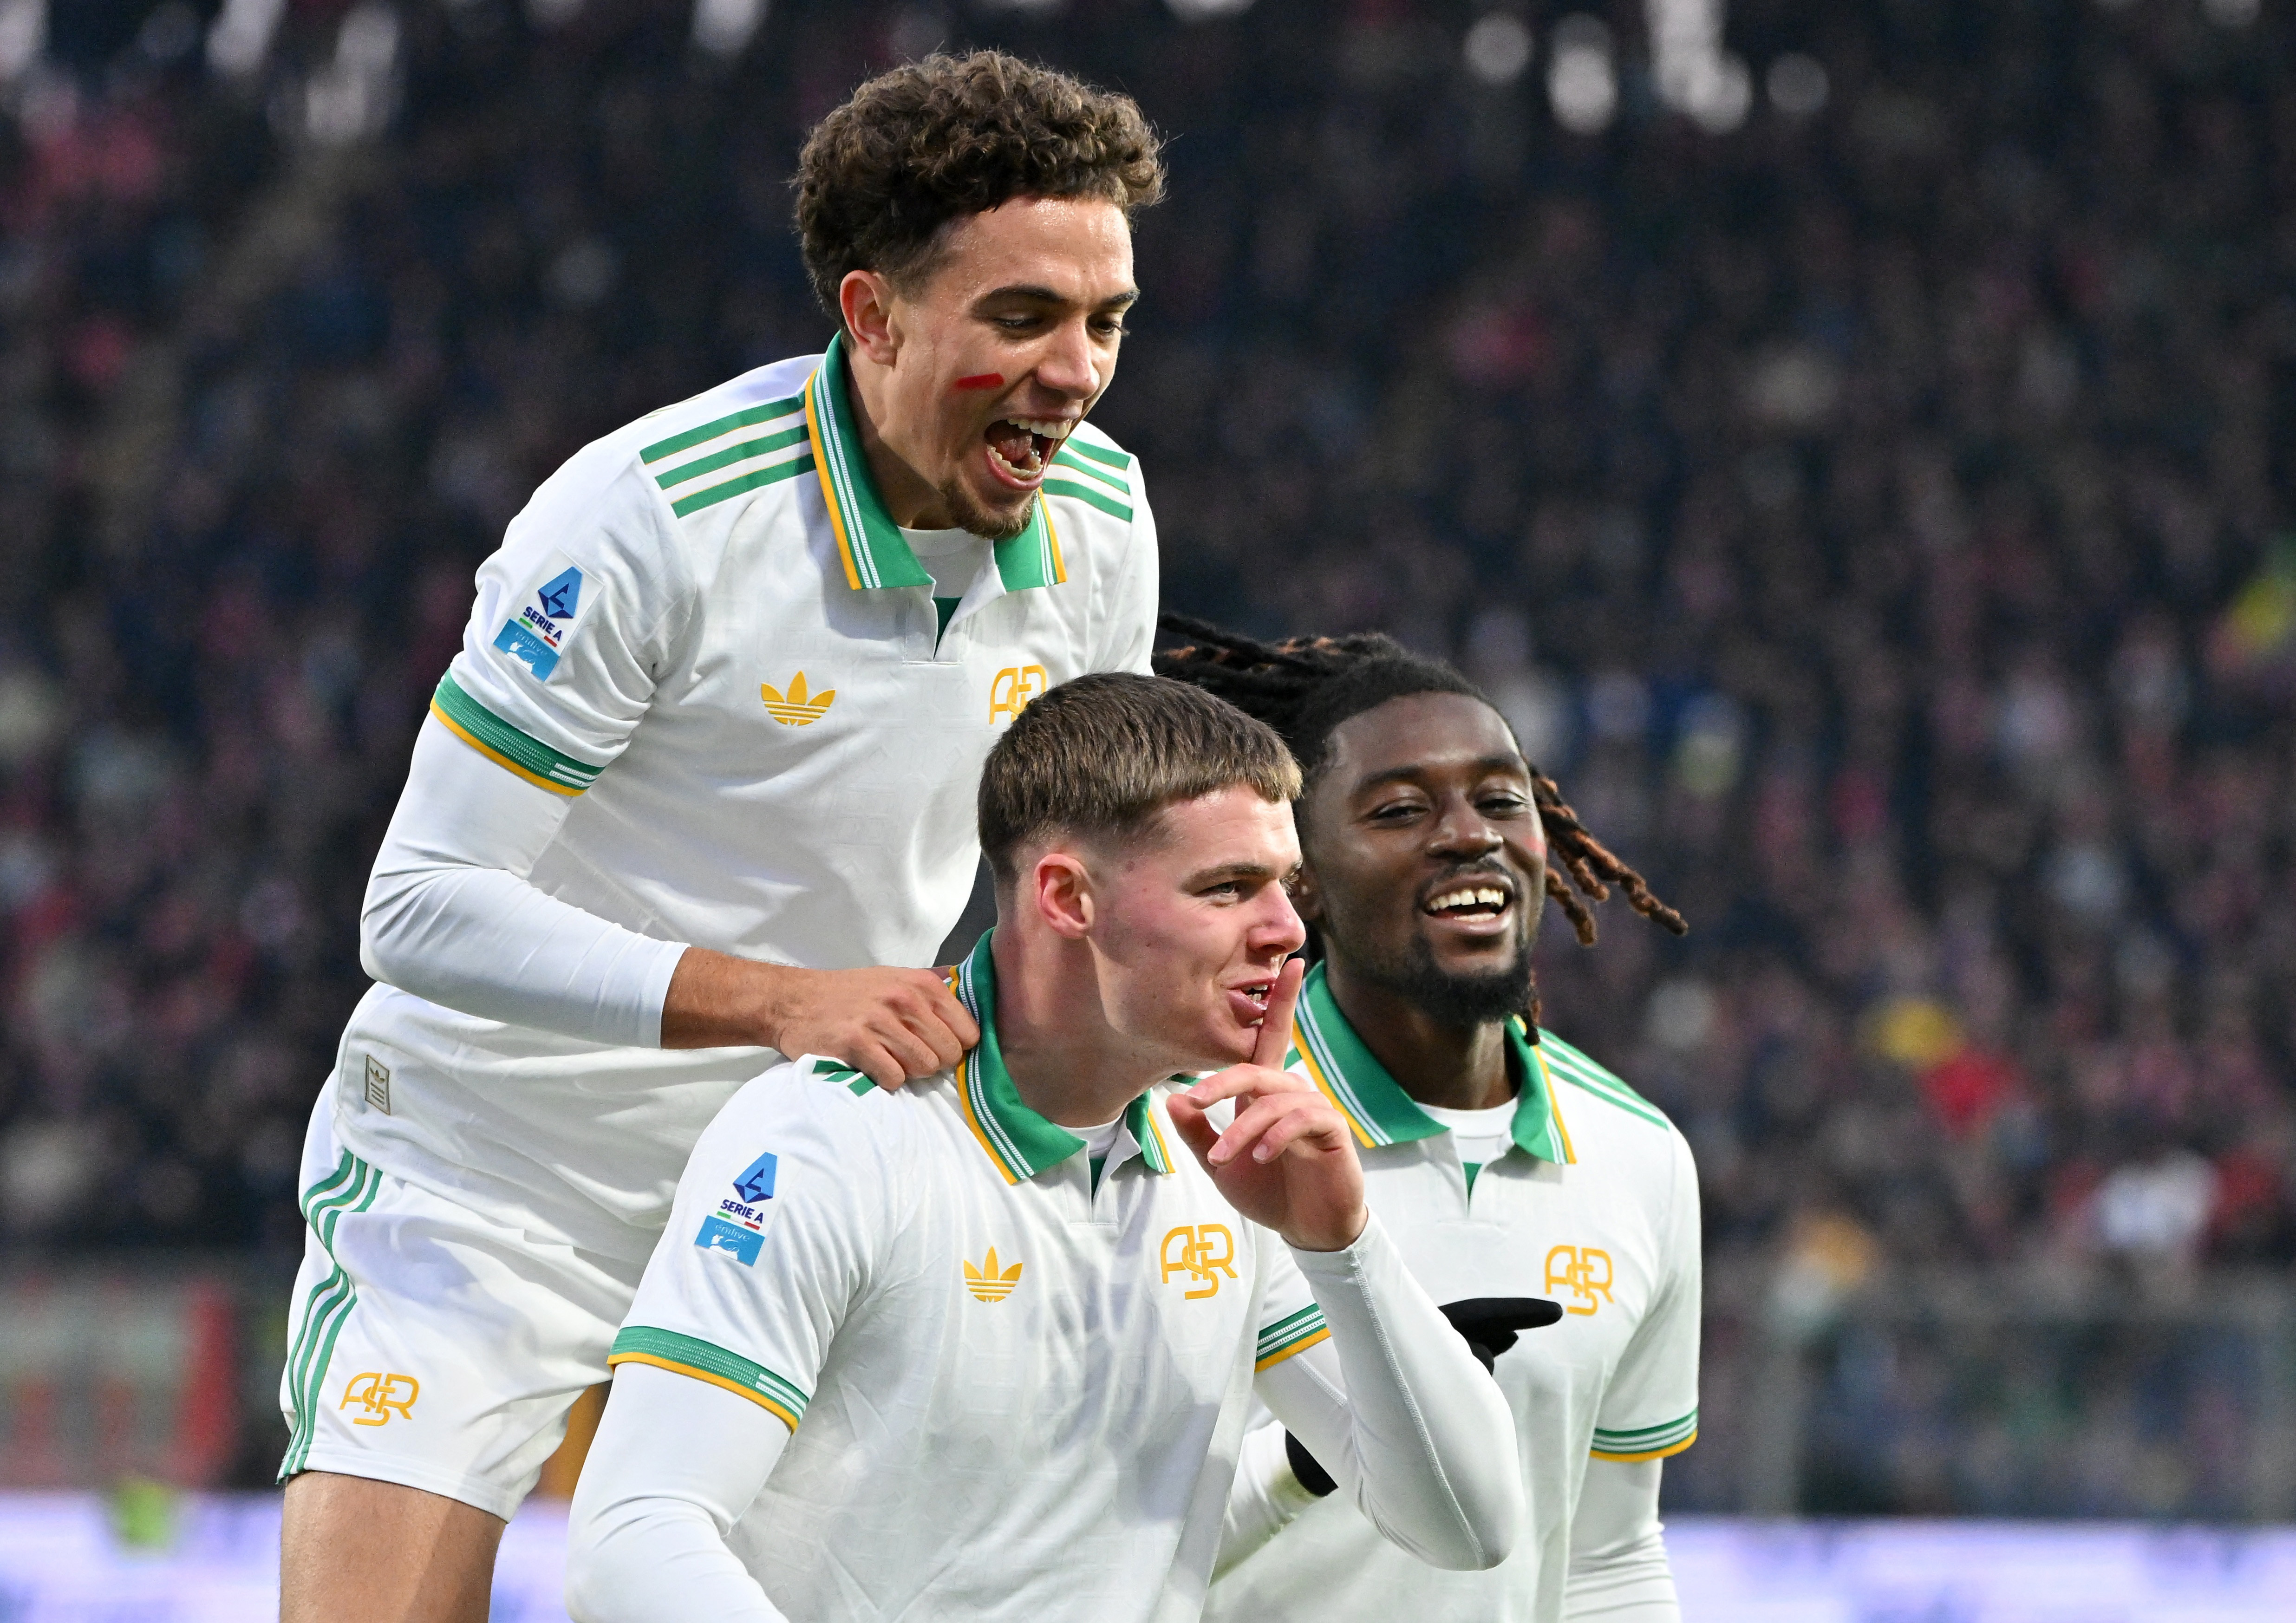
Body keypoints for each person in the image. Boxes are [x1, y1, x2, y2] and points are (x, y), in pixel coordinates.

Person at [278, 52, 1166, 1622]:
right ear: (873, 314)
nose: (1075, 371)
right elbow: (417, 907)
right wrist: (780, 999)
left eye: (1105, 320)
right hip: (497, 1181)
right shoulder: (653, 517)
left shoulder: (1100, 514)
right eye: (1022, 317)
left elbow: (1083, 887)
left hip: (806, 1180)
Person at [562, 673, 1523, 1622]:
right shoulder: (832, 1136)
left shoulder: (1227, 1157)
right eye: (1228, 888)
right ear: (1067, 896)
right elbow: (633, 1540)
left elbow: (1468, 1527)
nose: (1283, 929)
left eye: (1286, 885)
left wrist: (1341, 1246)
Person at [1158, 619, 1698, 1623]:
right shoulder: (1189, 1130)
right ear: (1303, 874)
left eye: (1502, 799)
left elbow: (1609, 1555)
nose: (1468, 834)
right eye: (1401, 809)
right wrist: (1340, 1447)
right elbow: (1092, 1546)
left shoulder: (1641, 1154)